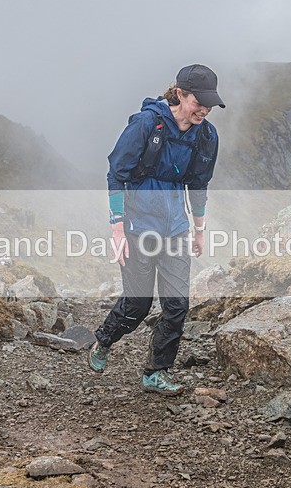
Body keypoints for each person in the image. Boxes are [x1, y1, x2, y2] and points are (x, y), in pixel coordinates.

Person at [87, 64, 225, 396]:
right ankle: (104, 340)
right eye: (198, 102)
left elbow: (200, 184)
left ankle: (156, 372)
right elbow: (116, 173)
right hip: (138, 226)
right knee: (137, 304)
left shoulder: (206, 136)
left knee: (177, 305)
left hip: (176, 228)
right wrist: (117, 229)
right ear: (180, 94)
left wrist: (200, 229)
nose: (204, 110)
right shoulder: (147, 124)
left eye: (210, 104)